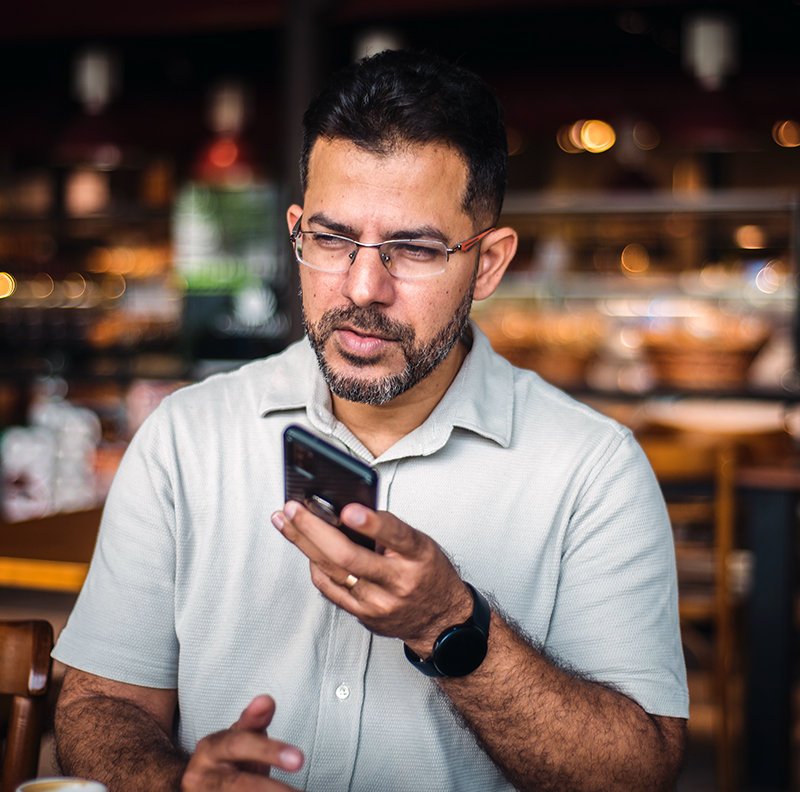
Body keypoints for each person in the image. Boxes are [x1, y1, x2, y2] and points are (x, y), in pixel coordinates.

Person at [53, 49, 688, 792]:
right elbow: (98, 706)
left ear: (487, 264)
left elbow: (638, 774)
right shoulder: (185, 437)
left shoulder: (593, 469)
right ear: (296, 231)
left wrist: (449, 624)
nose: (362, 287)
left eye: (413, 249)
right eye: (331, 240)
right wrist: (176, 785)